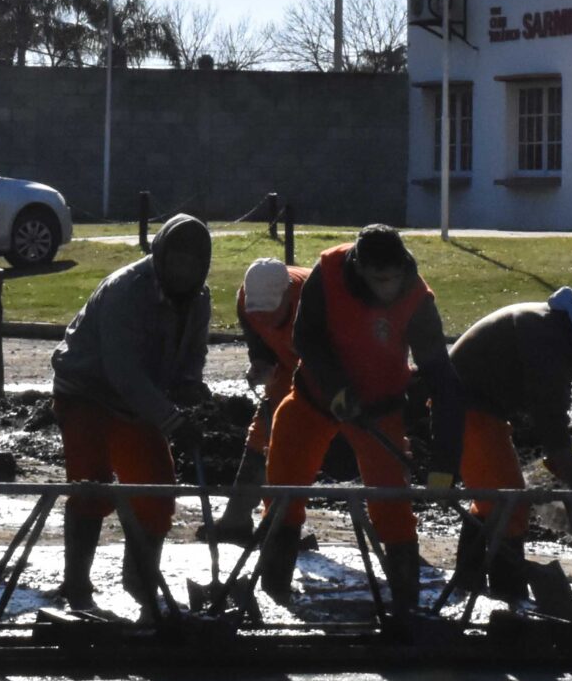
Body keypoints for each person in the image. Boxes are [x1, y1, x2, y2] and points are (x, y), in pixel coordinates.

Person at [258, 224, 462, 615]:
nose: (386, 288)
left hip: (380, 409)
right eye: (377, 279)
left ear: (403, 268)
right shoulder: (330, 271)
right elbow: (305, 338)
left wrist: (444, 466)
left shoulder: (418, 300)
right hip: (314, 398)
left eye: (392, 279)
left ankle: (406, 607)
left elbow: (444, 384)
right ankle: (273, 596)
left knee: (391, 504)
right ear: (359, 267)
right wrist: (336, 388)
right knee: (283, 491)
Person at [49, 213, 213, 616]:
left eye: (194, 263)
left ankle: (140, 581)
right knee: (93, 488)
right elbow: (124, 374)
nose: (185, 270)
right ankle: (76, 587)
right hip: (87, 391)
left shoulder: (199, 298)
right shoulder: (126, 291)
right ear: (160, 255)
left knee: (157, 493)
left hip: (138, 401)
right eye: (178, 260)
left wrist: (191, 385)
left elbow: (193, 352)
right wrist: (172, 419)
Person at [446, 286, 572, 601]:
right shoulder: (549, 336)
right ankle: (509, 597)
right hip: (465, 408)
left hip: (480, 409)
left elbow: (553, 411)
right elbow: (547, 412)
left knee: (498, 499)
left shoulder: (561, 331)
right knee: (511, 504)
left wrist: (566, 463)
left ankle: (470, 585)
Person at [200, 256, 308, 544]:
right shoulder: (247, 301)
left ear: (287, 294)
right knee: (262, 434)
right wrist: (261, 364)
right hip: (289, 367)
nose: (264, 320)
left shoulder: (313, 296)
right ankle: (237, 519)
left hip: (334, 368)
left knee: (298, 437)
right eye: (258, 314)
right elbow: (260, 345)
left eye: (270, 313)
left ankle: (283, 524)